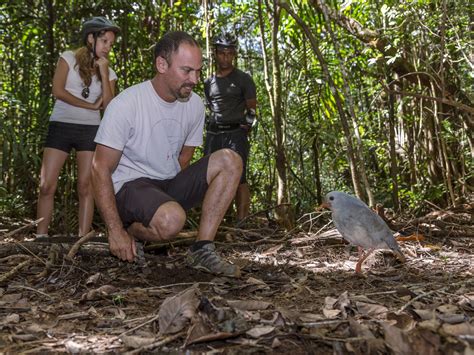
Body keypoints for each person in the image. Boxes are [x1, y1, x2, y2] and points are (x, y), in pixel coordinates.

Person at [91, 31, 242, 277]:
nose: (194, 79)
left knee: (230, 159)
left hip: (166, 184)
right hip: (131, 187)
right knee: (172, 220)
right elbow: (99, 168)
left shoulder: (193, 106)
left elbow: (184, 160)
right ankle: (132, 231)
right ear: (161, 64)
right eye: (186, 71)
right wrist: (114, 230)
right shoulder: (127, 104)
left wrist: (169, 200)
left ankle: (202, 250)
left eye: (198, 71)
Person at [36, 16, 120, 237]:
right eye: (104, 41)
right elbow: (58, 91)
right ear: (90, 38)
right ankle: (41, 236)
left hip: (90, 131)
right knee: (47, 185)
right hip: (61, 126)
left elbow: (109, 106)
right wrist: (89, 105)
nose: (108, 48)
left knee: (86, 187)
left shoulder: (109, 72)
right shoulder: (68, 58)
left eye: (111, 44)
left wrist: (103, 73)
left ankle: (82, 239)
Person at [203, 32, 257, 224]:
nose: (225, 57)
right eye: (221, 53)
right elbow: (210, 107)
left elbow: (252, 109)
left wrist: (245, 128)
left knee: (239, 178)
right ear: (215, 53)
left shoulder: (243, 79)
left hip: (235, 134)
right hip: (214, 134)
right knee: (211, 177)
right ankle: (216, 220)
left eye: (229, 53)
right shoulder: (209, 82)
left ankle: (241, 222)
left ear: (234, 54)